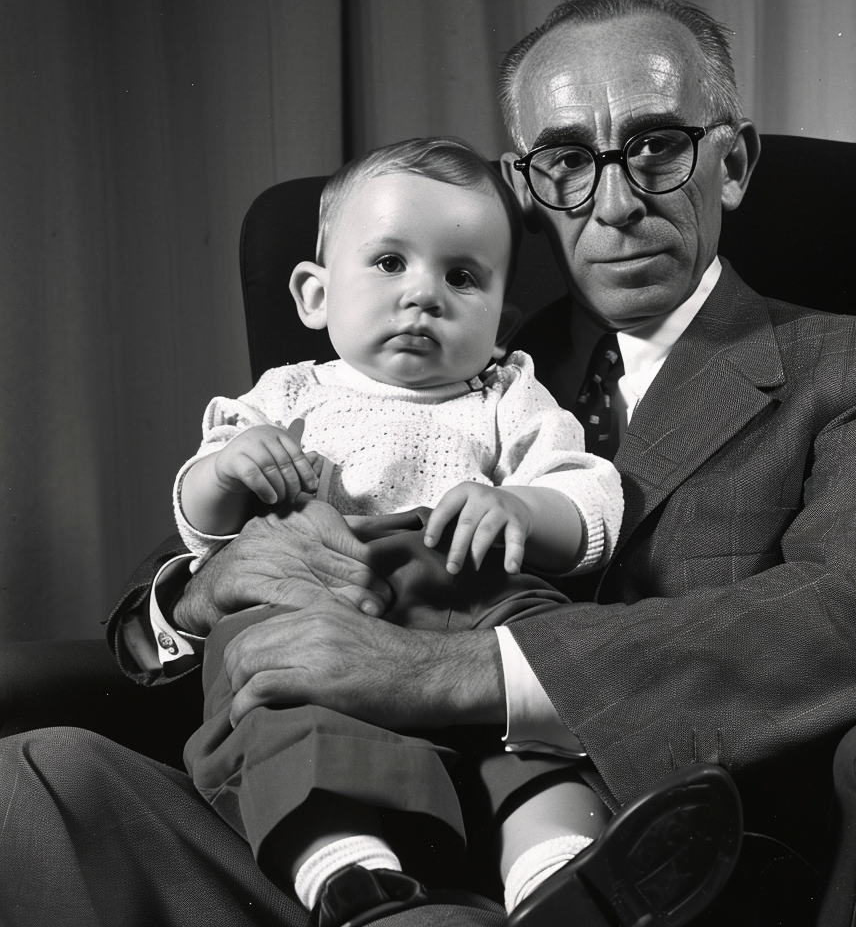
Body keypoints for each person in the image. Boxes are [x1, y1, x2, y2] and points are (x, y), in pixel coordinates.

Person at [0, 0, 856, 927]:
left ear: (732, 162)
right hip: (333, 810)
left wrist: (448, 670)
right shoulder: (430, 361)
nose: (616, 201)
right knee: (39, 778)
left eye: (657, 146)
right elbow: (182, 567)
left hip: (631, 853)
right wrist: (197, 592)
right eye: (566, 160)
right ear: (526, 186)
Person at [175, 136, 625, 924]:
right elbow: (201, 525)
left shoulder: (503, 394)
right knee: (273, 692)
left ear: (500, 322)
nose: (425, 296)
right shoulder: (287, 396)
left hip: (474, 587)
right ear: (315, 295)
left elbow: (588, 494)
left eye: (462, 277)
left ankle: (556, 871)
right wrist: (233, 468)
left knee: (539, 701)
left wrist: (521, 508)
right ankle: (345, 867)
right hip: (326, 603)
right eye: (389, 263)